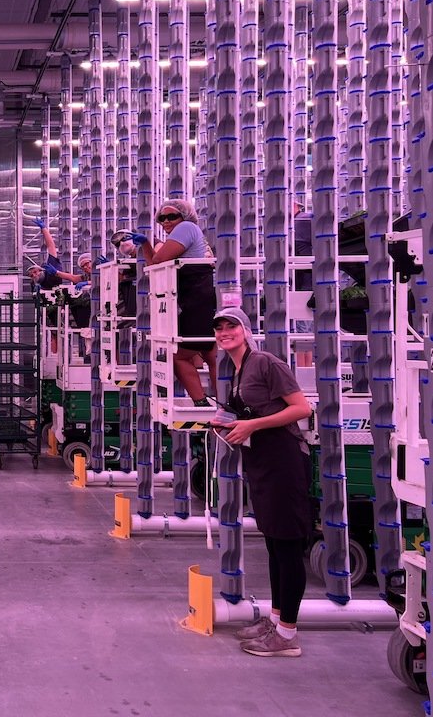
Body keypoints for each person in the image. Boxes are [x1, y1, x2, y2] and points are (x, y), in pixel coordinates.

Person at [209, 307, 313, 658]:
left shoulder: (266, 362)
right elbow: (251, 411)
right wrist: (227, 421)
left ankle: (288, 635)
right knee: (273, 544)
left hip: (284, 459)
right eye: (219, 328)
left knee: (287, 546)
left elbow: (301, 408)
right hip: (261, 461)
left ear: (246, 329)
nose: (225, 333)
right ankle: (276, 619)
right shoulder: (237, 369)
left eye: (231, 326)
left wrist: (251, 426)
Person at [131, 199, 217, 405]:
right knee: (210, 353)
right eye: (162, 218)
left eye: (172, 216)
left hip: (197, 299)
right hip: (198, 297)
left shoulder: (186, 228)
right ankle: (226, 398)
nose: (166, 221)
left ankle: (201, 401)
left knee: (179, 356)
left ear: (185, 216)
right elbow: (155, 263)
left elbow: (158, 261)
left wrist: (147, 246)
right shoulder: (190, 231)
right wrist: (145, 244)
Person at [26, 217, 78, 289]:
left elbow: (51, 246)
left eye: (35, 272)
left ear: (41, 270)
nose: (34, 275)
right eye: (32, 276)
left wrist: (44, 229)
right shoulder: (36, 285)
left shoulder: (50, 268)